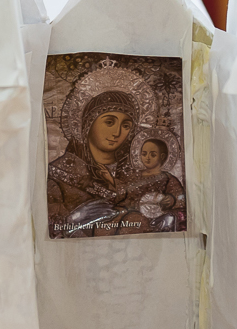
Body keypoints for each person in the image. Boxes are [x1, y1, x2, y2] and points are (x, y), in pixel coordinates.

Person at [46, 62, 155, 238]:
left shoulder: (134, 175)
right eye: (109, 122)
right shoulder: (58, 176)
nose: (117, 132)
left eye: (126, 125)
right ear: (87, 124)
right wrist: (75, 219)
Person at [122, 137, 188, 233]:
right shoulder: (134, 178)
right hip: (136, 215)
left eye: (153, 155)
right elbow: (127, 198)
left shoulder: (168, 178)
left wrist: (171, 199)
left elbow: (179, 196)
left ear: (162, 156)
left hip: (160, 216)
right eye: (144, 154)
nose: (147, 157)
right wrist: (136, 205)